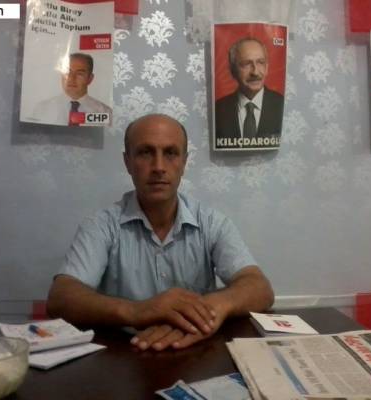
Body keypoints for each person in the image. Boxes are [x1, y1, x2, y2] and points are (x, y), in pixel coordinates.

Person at [47, 113, 274, 351]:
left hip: (195, 352)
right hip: (124, 355)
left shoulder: (212, 223)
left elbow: (260, 288)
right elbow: (61, 297)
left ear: (184, 162)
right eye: (145, 152)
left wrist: (210, 308)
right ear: (127, 162)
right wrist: (137, 311)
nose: (158, 167)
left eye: (170, 153)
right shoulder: (101, 226)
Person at [215, 37, 284, 148]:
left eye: (260, 62)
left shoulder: (282, 104)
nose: (255, 72)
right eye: (246, 64)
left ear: (267, 68)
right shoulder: (218, 110)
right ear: (233, 70)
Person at [32, 52, 112, 126]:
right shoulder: (42, 109)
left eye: (79, 74)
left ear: (90, 79)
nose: (71, 78)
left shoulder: (105, 113)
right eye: (67, 72)